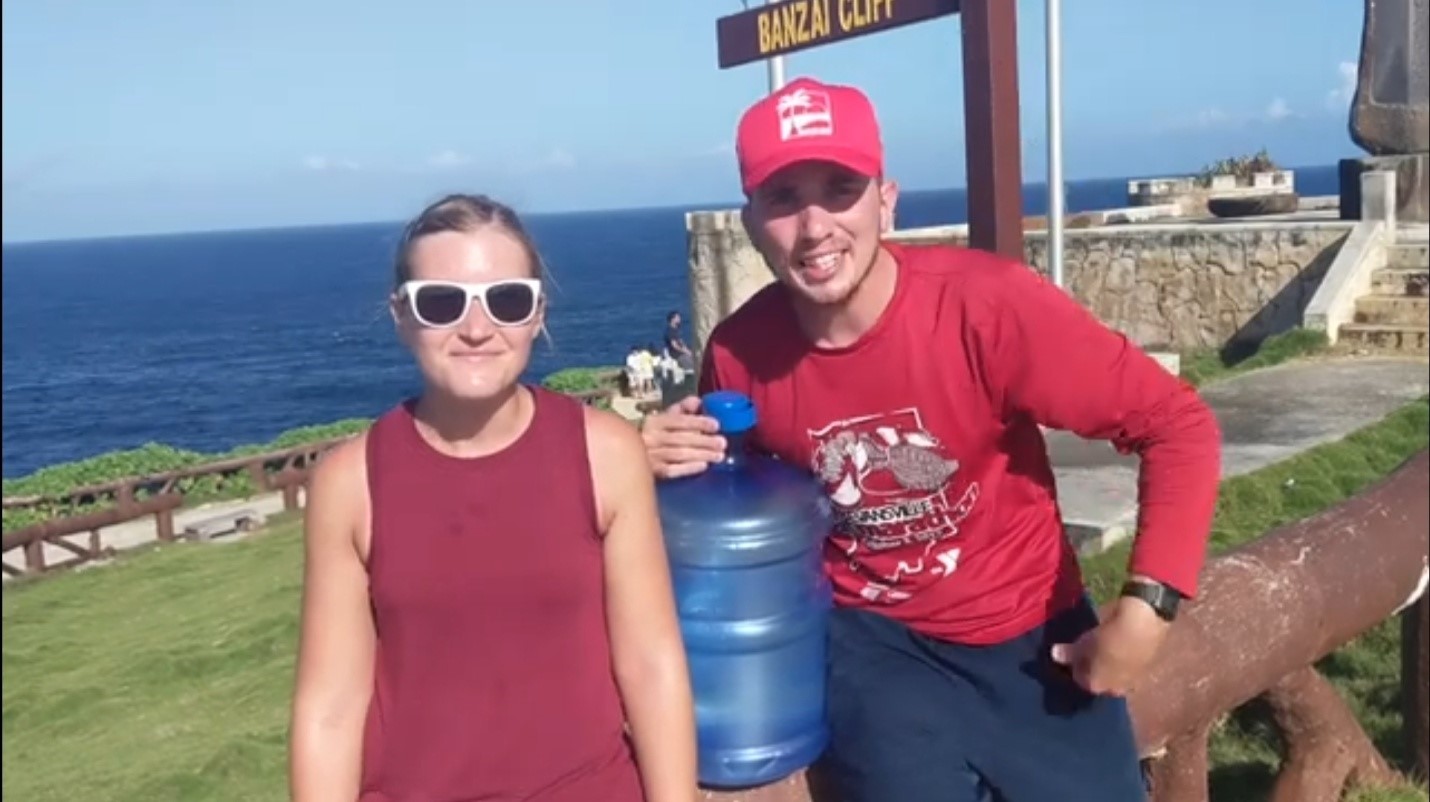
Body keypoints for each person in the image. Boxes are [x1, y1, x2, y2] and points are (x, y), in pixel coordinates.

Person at [640, 77, 1222, 802]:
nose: (815, 225)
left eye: (840, 189)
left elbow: (1177, 425)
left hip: (1032, 637)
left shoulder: (985, 308)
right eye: (784, 198)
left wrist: (1146, 610)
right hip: (872, 651)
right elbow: (738, 516)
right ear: (751, 219)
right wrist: (654, 466)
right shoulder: (740, 352)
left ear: (887, 198)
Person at [289, 193, 698, 802]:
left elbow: (651, 664)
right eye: (441, 303)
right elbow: (330, 709)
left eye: (507, 300)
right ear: (402, 316)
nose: (476, 329)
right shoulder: (351, 483)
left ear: (537, 315)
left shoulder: (607, 455)